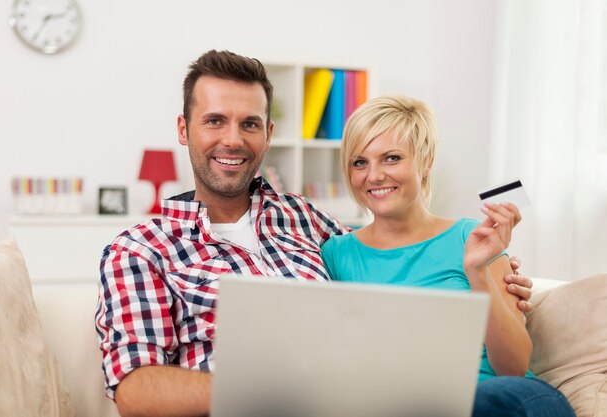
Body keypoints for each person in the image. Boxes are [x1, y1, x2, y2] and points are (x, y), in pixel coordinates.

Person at [95, 50, 534, 417]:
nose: (232, 139)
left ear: (267, 134)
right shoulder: (141, 250)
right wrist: (273, 389)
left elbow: (392, 249)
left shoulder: (306, 221)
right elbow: (135, 390)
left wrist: (496, 275)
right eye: (214, 121)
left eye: (249, 124)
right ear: (183, 130)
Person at [320, 94, 576, 417]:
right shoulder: (334, 256)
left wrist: (478, 272)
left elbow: (512, 366)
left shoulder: (473, 238)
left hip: (509, 398)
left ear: (426, 163)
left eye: (391, 158)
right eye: (360, 162)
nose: (374, 176)